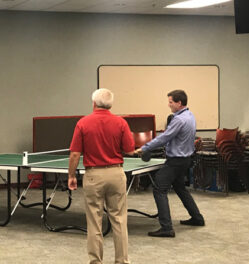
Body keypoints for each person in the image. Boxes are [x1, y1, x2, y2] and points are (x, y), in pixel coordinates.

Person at [68, 88, 135, 264]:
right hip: (116, 173)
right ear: (111, 104)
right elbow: (129, 150)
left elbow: (75, 154)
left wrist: (71, 175)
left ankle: (96, 261)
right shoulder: (121, 123)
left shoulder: (83, 123)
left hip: (93, 176)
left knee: (94, 222)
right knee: (119, 220)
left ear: (93, 103)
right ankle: (122, 261)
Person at [135, 90, 205, 238]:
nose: (169, 105)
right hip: (185, 160)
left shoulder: (179, 120)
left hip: (176, 161)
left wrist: (144, 148)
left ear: (179, 103)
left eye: (171, 102)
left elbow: (164, 138)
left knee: (159, 189)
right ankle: (197, 218)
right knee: (180, 188)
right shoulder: (190, 115)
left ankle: (166, 228)